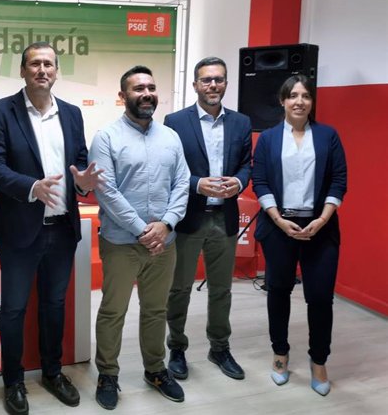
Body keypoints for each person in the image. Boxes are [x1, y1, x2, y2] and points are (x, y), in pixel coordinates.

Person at [0, 42, 102, 415]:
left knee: (54, 304)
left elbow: (78, 163)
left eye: (49, 64)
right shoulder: (1, 111)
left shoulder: (72, 113)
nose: (42, 70)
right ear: (22, 70)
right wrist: (31, 187)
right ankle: (13, 380)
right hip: (20, 228)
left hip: (62, 229)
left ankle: (52, 372)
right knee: (14, 309)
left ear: (56, 71)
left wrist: (83, 183)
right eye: (35, 63)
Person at [89, 66, 190, 410]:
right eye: (137, 88)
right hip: (122, 243)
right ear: (123, 96)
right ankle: (108, 374)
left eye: (151, 87)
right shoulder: (106, 137)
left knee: (155, 310)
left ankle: (155, 369)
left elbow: (182, 183)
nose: (146, 93)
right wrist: (143, 230)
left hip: (165, 242)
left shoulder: (171, 137)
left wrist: (167, 224)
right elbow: (106, 191)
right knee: (113, 310)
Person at [252, 75, 347, 396]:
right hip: (280, 229)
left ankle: (318, 361)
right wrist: (278, 219)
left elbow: (338, 180)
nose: (299, 101)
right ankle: (280, 354)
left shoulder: (328, 136)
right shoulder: (267, 139)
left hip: (320, 229)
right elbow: (260, 181)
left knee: (320, 298)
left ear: (312, 102)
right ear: (282, 101)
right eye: (293, 95)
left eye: (305, 95)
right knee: (278, 291)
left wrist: (322, 219)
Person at [164, 57, 252, 381]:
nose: (213, 85)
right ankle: (176, 348)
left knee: (221, 289)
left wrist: (239, 183)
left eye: (219, 79)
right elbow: (168, 169)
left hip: (224, 218)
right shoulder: (175, 121)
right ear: (195, 85)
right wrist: (195, 183)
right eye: (206, 80)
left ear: (226, 83)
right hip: (188, 218)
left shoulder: (242, 123)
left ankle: (219, 347)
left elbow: (247, 164)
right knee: (179, 289)